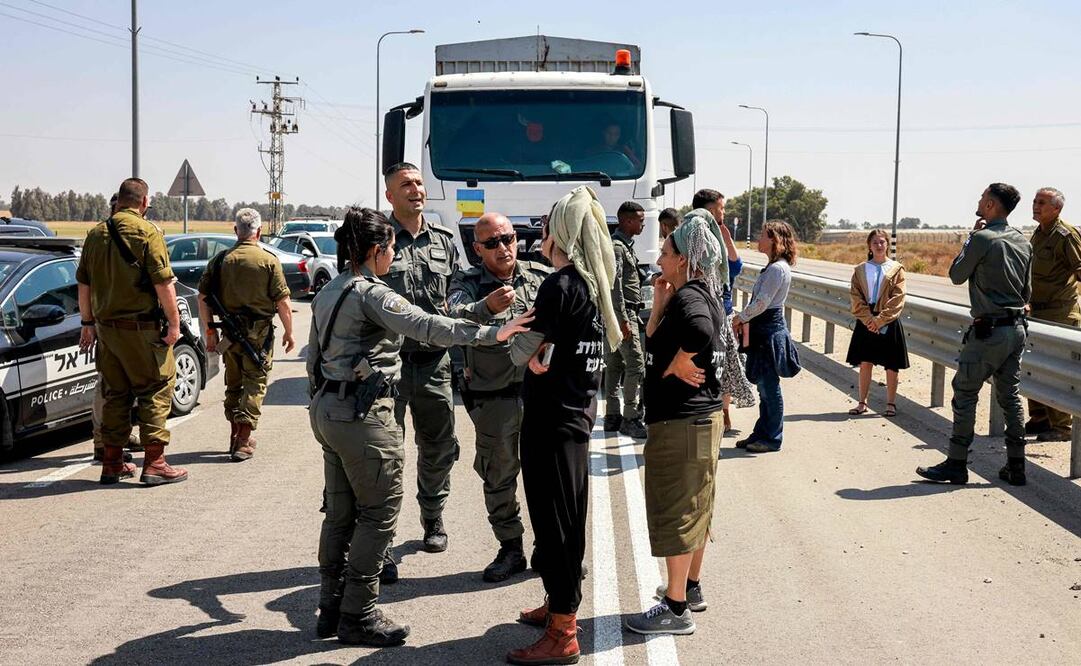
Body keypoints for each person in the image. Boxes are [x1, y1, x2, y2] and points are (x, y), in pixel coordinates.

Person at [307, 207, 532, 646]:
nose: (393, 257)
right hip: (365, 418)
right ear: (376, 250)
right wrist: (491, 334)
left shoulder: (329, 290)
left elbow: (314, 359)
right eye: (390, 249)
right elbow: (427, 326)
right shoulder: (373, 294)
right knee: (377, 516)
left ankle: (330, 609)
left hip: (329, 412)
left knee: (339, 515)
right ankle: (359, 615)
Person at [505, 186, 620, 665]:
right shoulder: (595, 285)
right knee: (566, 519)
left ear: (563, 234)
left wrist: (526, 348)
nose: (542, 233)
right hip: (577, 416)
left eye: (549, 224)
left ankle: (563, 632)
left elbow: (524, 349)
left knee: (555, 525)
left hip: (551, 422)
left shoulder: (560, 285)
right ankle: (558, 606)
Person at [624, 208, 727, 636]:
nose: (660, 256)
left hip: (682, 426)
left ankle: (675, 606)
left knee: (677, 513)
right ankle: (692, 588)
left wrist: (681, 359)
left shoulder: (691, 300)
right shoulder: (693, 293)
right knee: (696, 510)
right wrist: (658, 307)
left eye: (666, 250)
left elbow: (700, 333)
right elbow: (653, 342)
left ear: (683, 257)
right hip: (697, 424)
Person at [448, 212, 550, 583]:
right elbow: (455, 319)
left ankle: (548, 548)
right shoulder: (469, 283)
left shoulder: (540, 276)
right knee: (499, 476)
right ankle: (511, 547)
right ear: (478, 249)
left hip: (540, 394)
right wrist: (486, 308)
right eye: (492, 243)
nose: (503, 247)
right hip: (495, 399)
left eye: (507, 238)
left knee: (546, 475)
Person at [917, 183, 1033, 486]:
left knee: (966, 393)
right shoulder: (1023, 241)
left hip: (989, 330)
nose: (979, 201)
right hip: (1017, 327)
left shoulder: (981, 238)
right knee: (1010, 397)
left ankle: (956, 463)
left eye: (983, 198)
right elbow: (1026, 292)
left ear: (992, 205)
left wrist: (971, 238)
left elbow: (956, 275)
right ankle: (1016, 466)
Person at [76, 177, 188, 486]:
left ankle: (112, 462)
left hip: (107, 330)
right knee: (156, 388)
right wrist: (175, 324)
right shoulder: (148, 232)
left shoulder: (96, 234)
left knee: (115, 393)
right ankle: (155, 463)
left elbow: (83, 283)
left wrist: (88, 323)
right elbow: (163, 283)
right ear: (142, 202)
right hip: (142, 329)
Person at [381, 162, 462, 553]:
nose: (415, 189)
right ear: (389, 195)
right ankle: (384, 537)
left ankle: (433, 518)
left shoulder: (444, 241)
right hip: (390, 365)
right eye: (405, 184)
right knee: (386, 453)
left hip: (434, 364)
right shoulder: (378, 241)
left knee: (439, 446)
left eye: (418, 183)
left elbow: (456, 292)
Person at [197, 208, 295, 461]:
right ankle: (242, 440)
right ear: (259, 232)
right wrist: (289, 332)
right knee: (255, 384)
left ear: (235, 231)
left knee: (234, 385)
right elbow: (283, 302)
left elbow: (203, 298)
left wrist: (209, 332)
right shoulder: (268, 260)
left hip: (229, 338)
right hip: (258, 337)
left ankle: (235, 434)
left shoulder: (219, 261)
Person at [731, 221, 801, 453]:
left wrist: (740, 317)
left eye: (763, 235)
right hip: (764, 331)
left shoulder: (777, 269)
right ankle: (761, 432)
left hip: (769, 332)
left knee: (769, 388)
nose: (758, 238)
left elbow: (762, 303)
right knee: (764, 388)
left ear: (775, 240)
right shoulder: (773, 267)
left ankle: (771, 438)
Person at [694, 189, 755, 435]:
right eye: (721, 208)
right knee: (705, 366)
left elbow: (736, 266)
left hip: (724, 313)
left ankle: (724, 411)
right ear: (709, 209)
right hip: (703, 311)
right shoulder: (695, 235)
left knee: (727, 367)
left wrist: (726, 235)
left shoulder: (720, 235)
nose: (724, 212)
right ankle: (706, 410)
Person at [1024, 187, 1081, 442]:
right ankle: (1040, 419)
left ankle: (1061, 427)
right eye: (1035, 201)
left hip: (1059, 313)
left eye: (1042, 203)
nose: (1035, 206)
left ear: (1056, 208)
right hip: (1037, 310)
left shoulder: (1065, 235)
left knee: (1055, 370)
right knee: (1033, 366)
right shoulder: (1038, 233)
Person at [90, 193, 138, 463]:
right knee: (108, 385)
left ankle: (118, 435)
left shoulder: (99, 236)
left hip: (114, 320)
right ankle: (102, 440)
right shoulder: (101, 237)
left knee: (123, 383)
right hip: (111, 322)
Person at [845, 229, 910, 417]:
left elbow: (899, 297)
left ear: (887, 244)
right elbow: (855, 297)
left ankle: (891, 404)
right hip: (866, 321)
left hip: (888, 321)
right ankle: (862, 403)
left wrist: (880, 320)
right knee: (865, 363)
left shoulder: (897, 269)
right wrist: (869, 320)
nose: (879, 245)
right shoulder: (860, 270)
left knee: (891, 365)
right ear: (869, 246)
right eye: (875, 242)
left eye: (882, 242)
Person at [603, 201, 647, 439]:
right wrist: (623, 320)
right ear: (627, 221)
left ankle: (612, 416)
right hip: (623, 313)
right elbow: (615, 288)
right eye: (640, 220)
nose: (643, 224)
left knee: (615, 365)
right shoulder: (617, 248)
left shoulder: (624, 246)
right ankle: (630, 418)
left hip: (617, 314)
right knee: (636, 364)